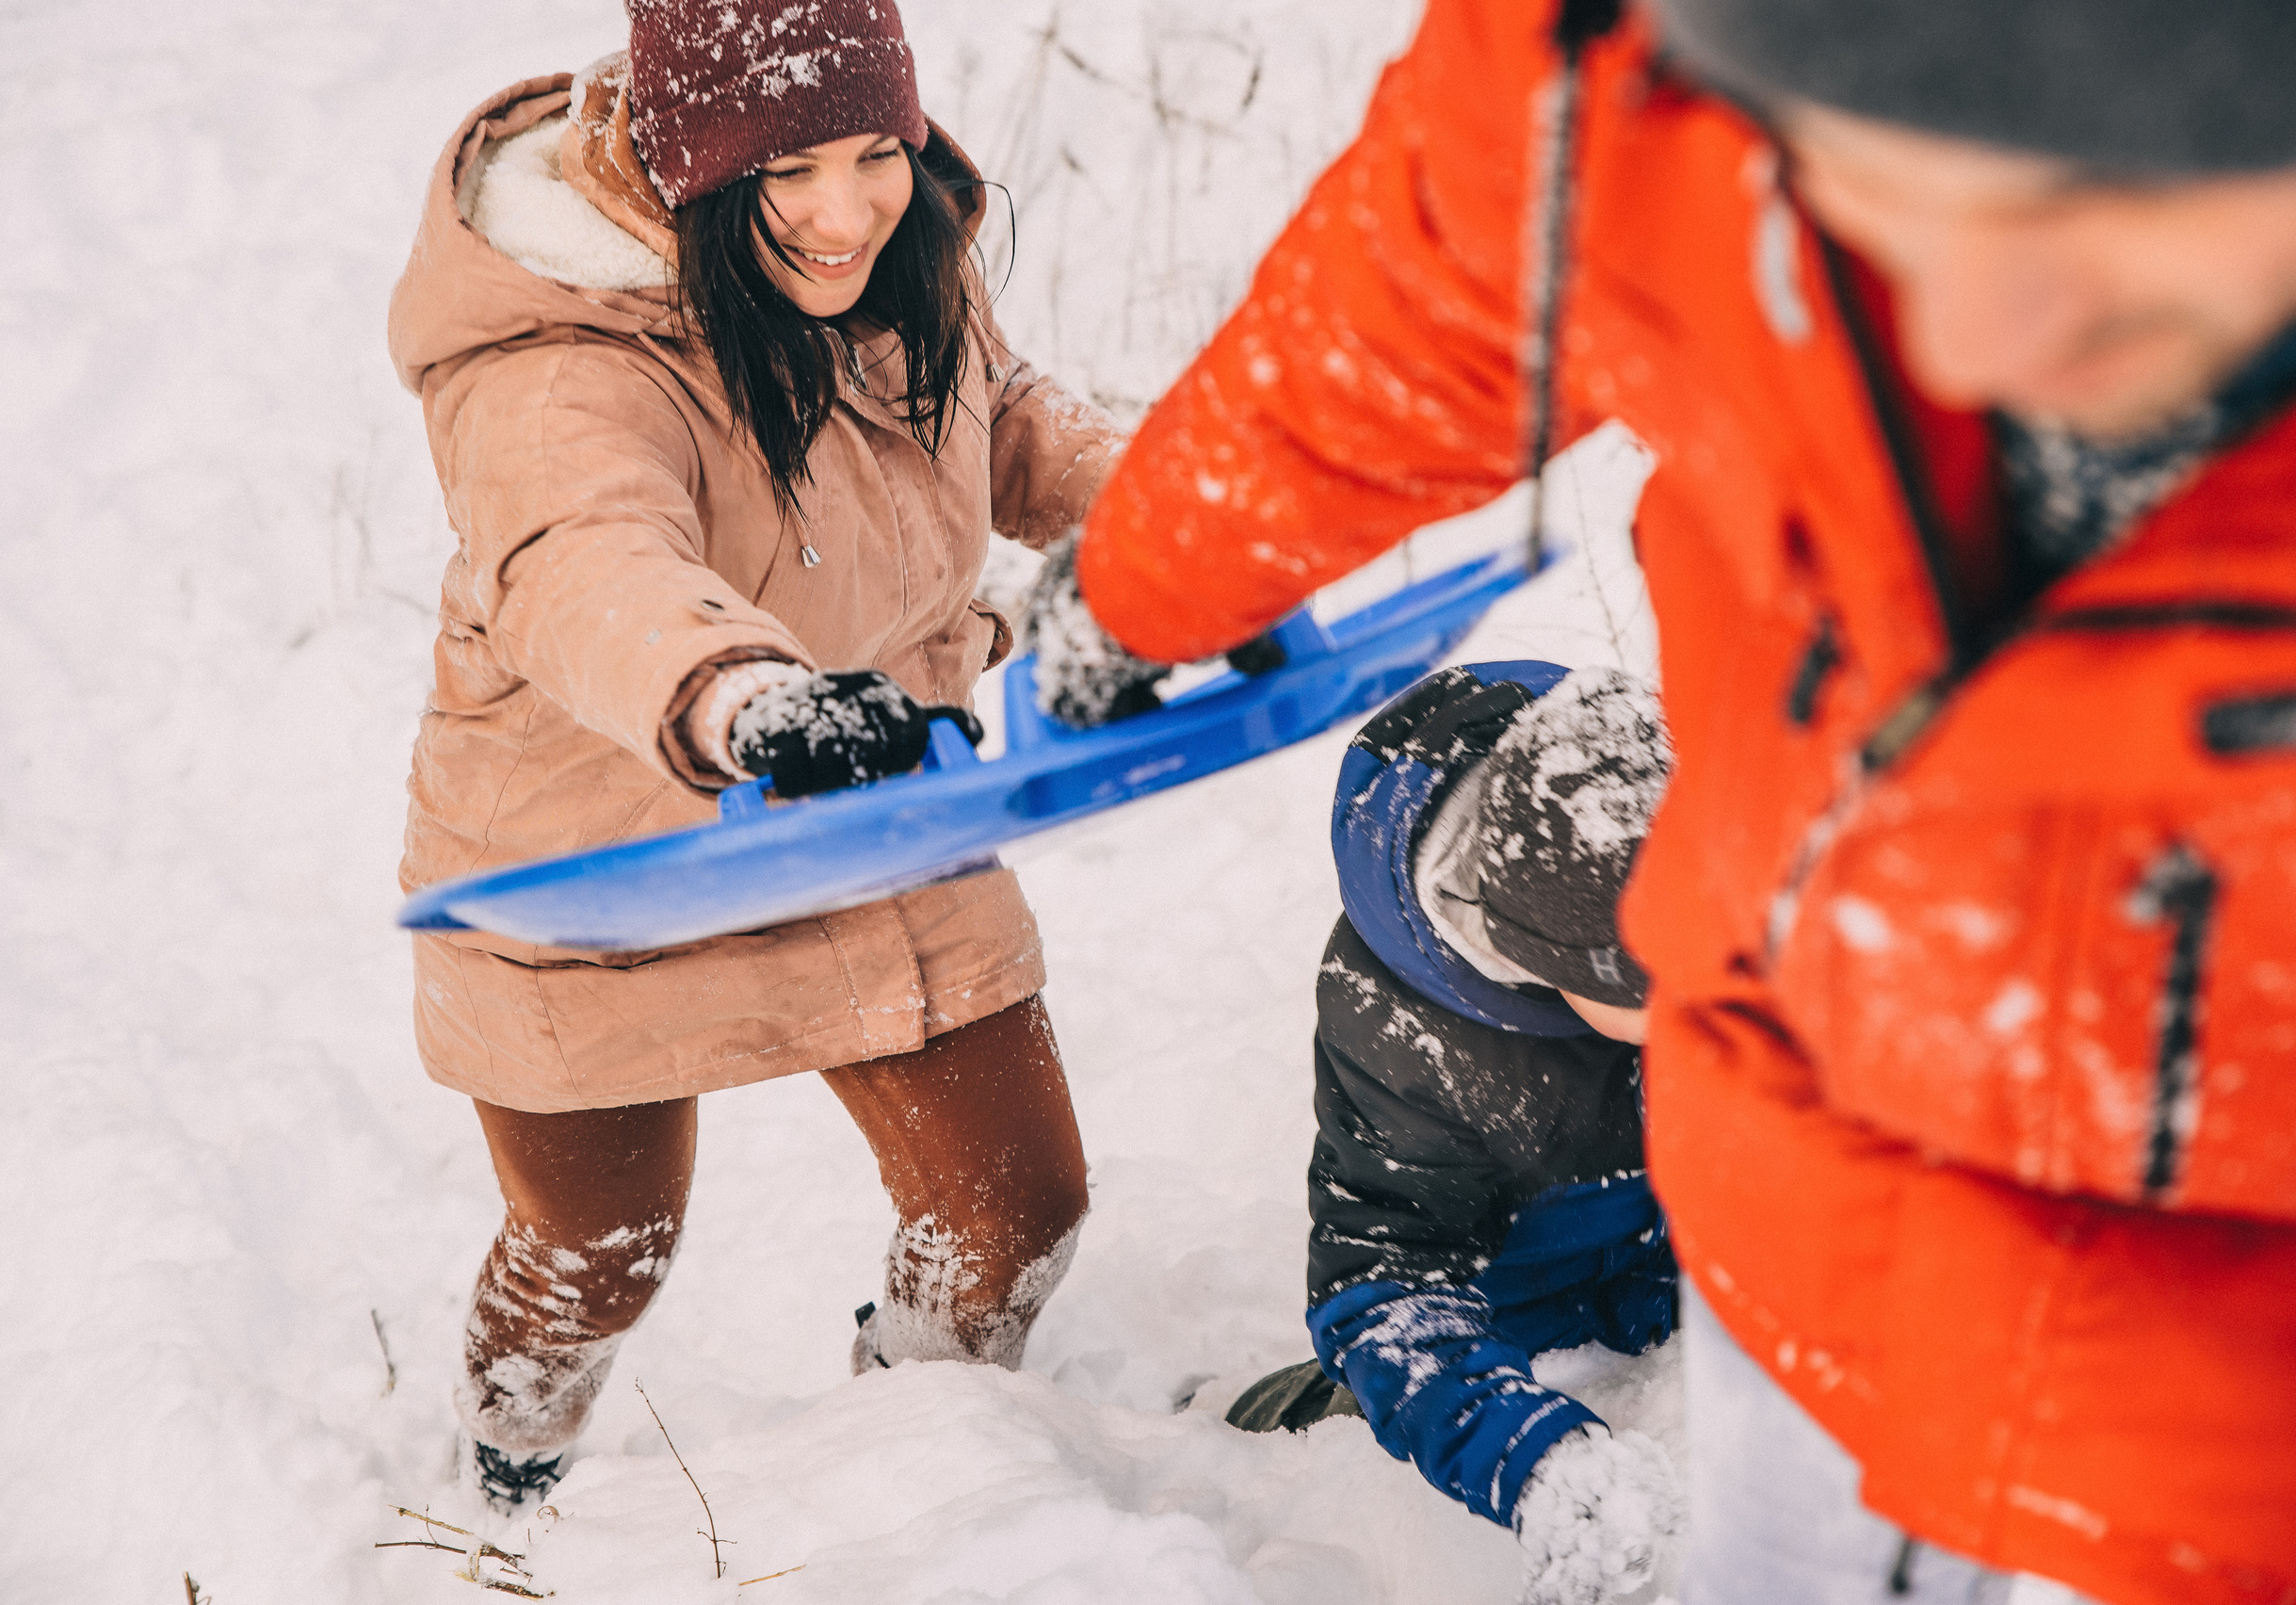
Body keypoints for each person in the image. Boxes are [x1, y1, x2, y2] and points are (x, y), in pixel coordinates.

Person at [1026, 1, 2296, 1601]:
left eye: (2094, 200)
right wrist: (1149, 574)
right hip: (1803, 1248)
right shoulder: (1618, 83)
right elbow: (1414, 289)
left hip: (2212, 1403)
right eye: (1868, 194)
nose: (1962, 334)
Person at [385, 0, 1124, 1512]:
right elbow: (581, 559)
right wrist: (743, 697)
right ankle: (502, 1483)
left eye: (877, 154)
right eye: (790, 169)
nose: (846, 210)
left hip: (868, 805)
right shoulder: (555, 351)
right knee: (597, 1253)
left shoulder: (899, 261)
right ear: (697, 163)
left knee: (1012, 1210)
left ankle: (925, 1455)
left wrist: (1173, 511)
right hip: (602, 851)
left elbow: (1002, 420)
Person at [1226, 662, 1683, 1605]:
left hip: (1716, 1308)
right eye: (1671, 995)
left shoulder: (1699, 832)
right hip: (1527, 1349)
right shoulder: (1408, 1033)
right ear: (1555, 966)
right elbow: (1386, 1280)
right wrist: (1532, 1457)